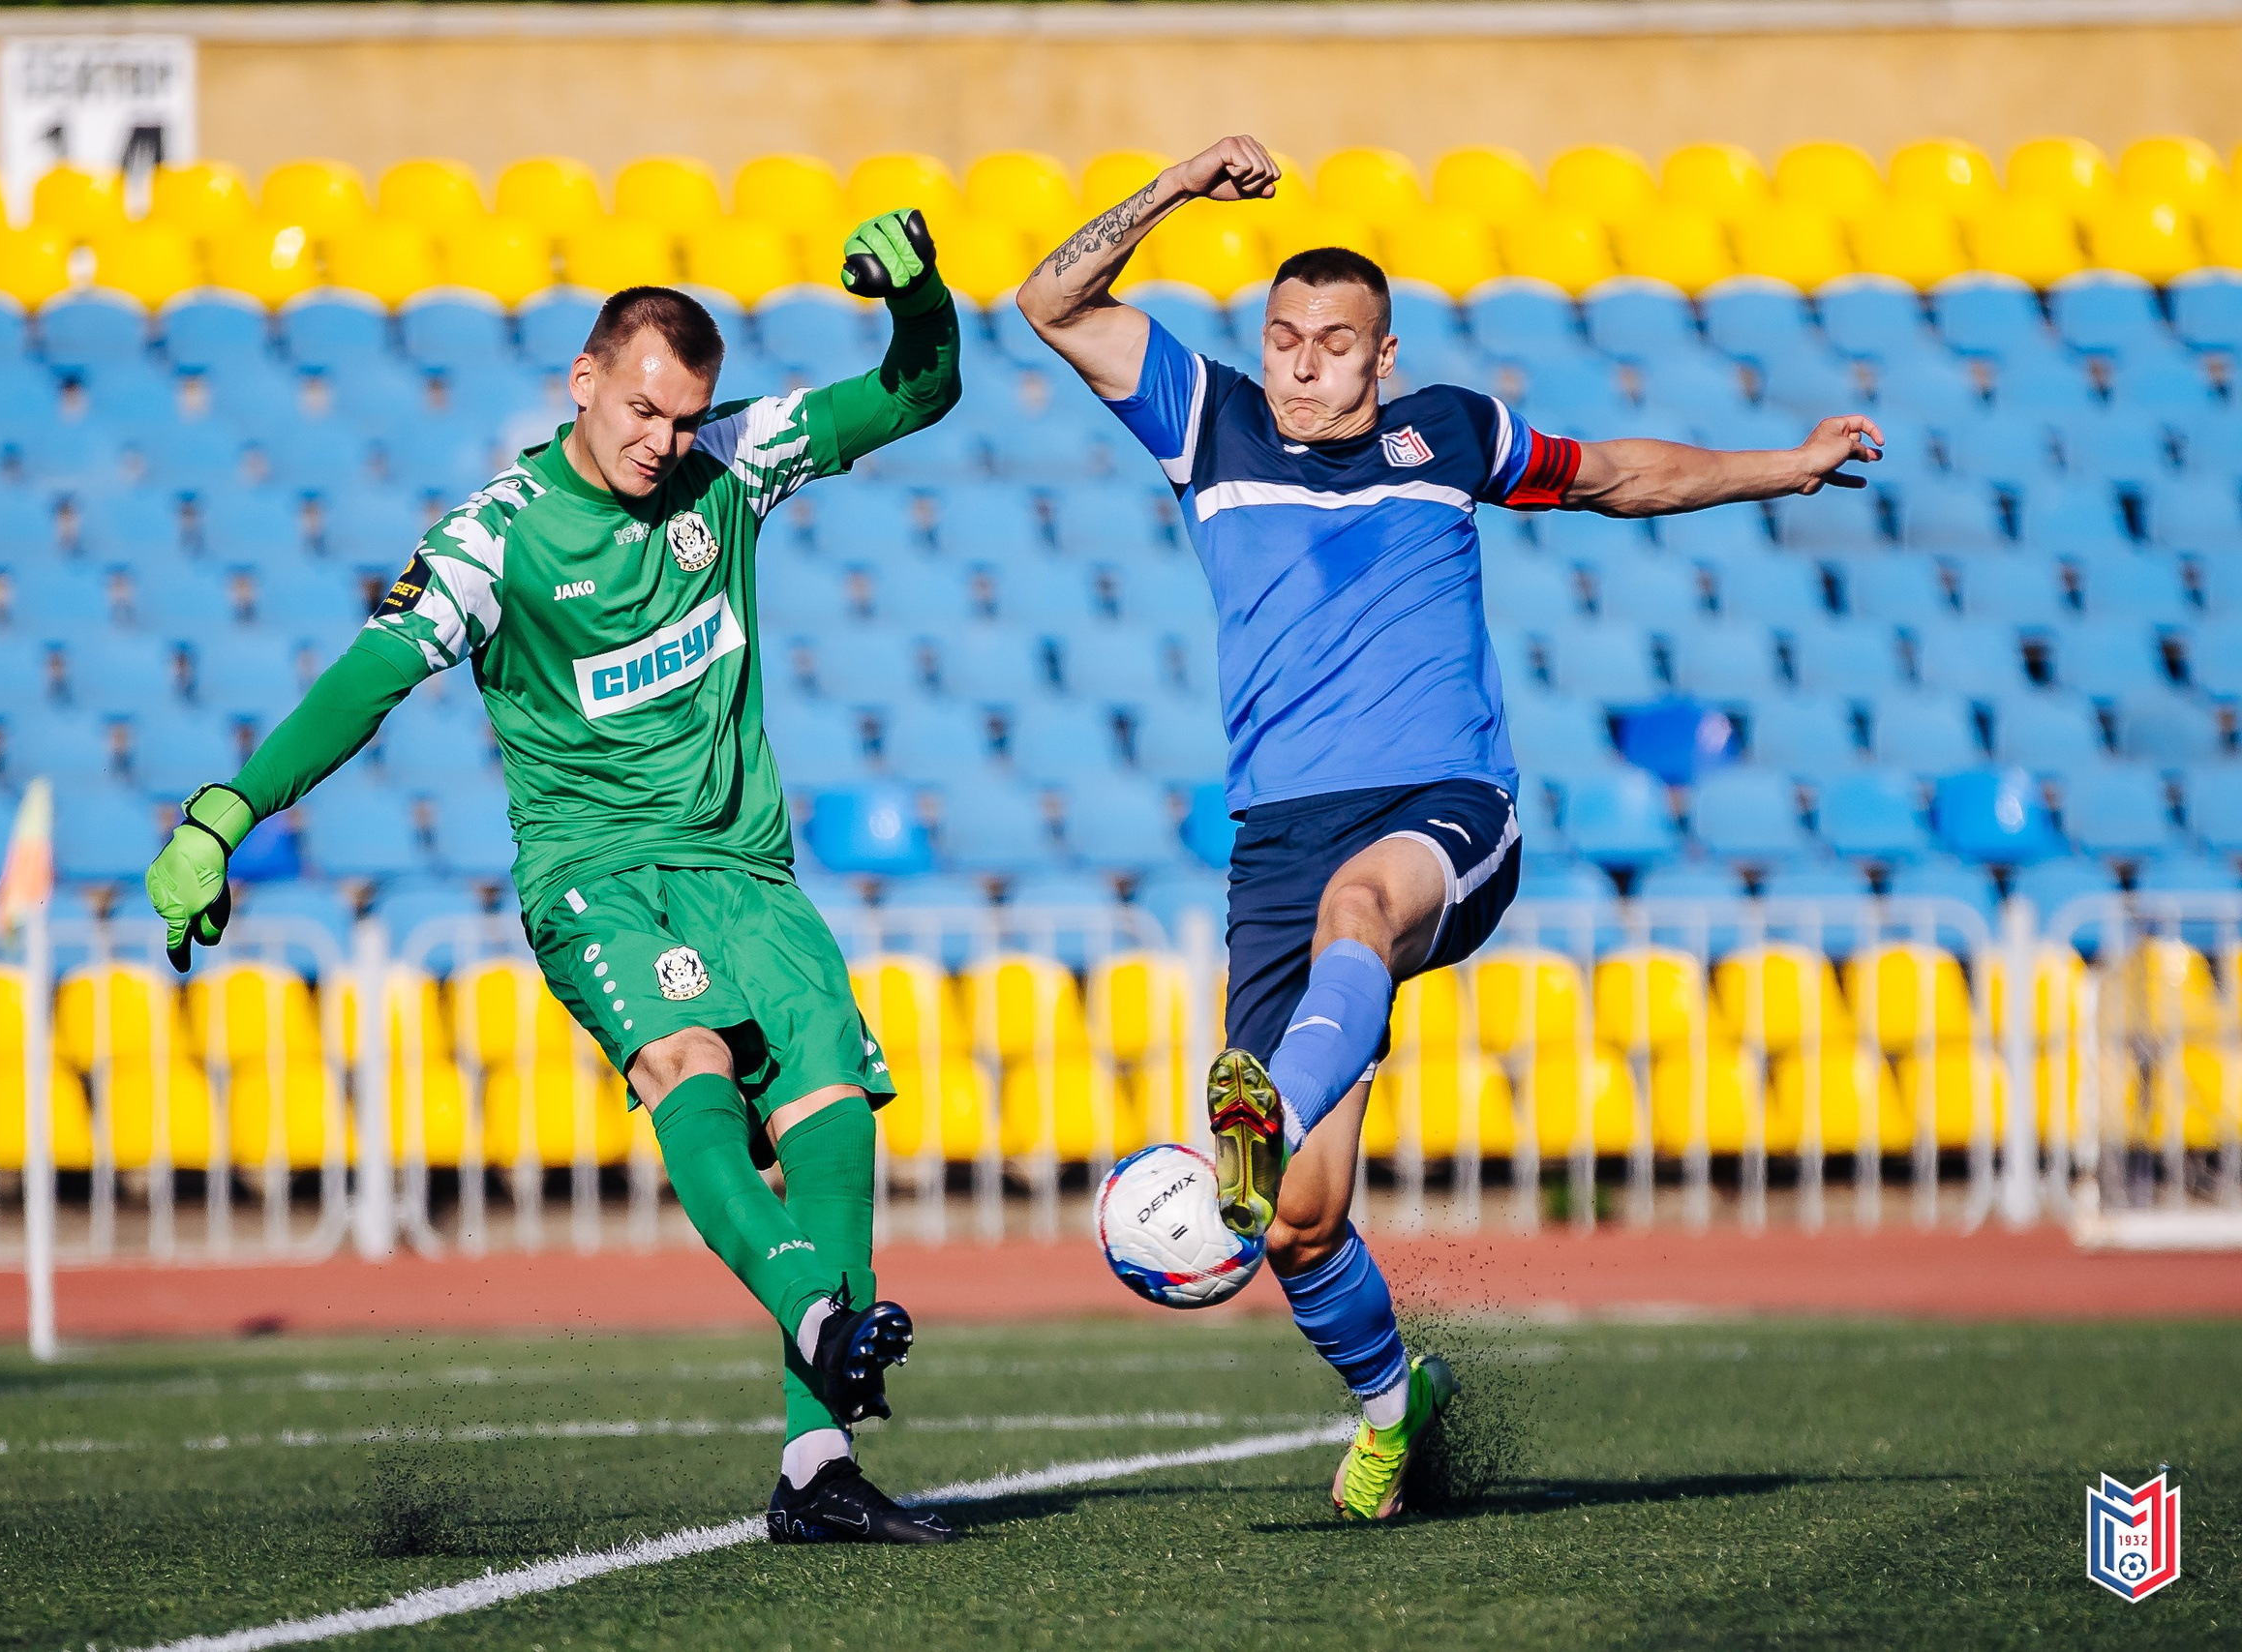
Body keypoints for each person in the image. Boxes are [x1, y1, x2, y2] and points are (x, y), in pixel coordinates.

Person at [1016, 136, 1882, 1520]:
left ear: (1383, 356)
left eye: (1335, 344)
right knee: (1300, 1218)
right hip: (1276, 846)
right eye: (1286, 339)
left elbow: (1614, 475)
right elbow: (1052, 303)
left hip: (1443, 811)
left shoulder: (1450, 434)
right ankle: (1388, 1400)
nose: (1303, 366)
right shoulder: (1206, 421)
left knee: (1363, 915)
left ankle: (1252, 1131)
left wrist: (1780, 466)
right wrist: (1175, 188)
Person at [146, 211, 964, 1546]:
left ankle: (818, 1470)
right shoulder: (495, 537)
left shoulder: (732, 463)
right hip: (597, 874)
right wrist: (223, 814)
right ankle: (811, 1303)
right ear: (583, 381)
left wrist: (923, 300)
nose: (664, 440)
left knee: (831, 1105)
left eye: (685, 418)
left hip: (747, 870)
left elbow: (918, 389)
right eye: (643, 409)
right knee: (684, 1065)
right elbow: (371, 679)